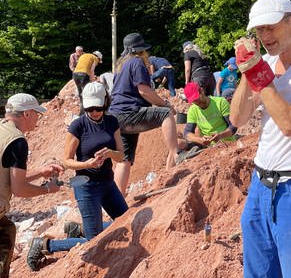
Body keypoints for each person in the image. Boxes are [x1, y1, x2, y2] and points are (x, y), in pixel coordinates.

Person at [230, 0, 291, 277]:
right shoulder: (265, 63)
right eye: (259, 30)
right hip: (260, 185)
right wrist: (248, 72)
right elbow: (237, 118)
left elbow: (290, 122)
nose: (265, 36)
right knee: (258, 273)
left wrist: (258, 72)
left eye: (271, 27)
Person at [27, 82, 128, 271]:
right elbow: (66, 160)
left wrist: (110, 154)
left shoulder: (112, 121)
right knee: (93, 240)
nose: (95, 112)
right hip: (85, 185)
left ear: (105, 103)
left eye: (98, 107)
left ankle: (79, 229)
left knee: (126, 219)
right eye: (90, 108)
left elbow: (122, 155)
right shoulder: (78, 125)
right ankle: (44, 245)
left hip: (107, 182)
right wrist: (87, 164)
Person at [0, 93, 63, 278]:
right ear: (27, 114)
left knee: (7, 229)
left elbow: (8, 176)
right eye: (37, 113)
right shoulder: (17, 141)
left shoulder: (2, 130)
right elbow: (19, 189)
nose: (38, 118)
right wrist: (47, 189)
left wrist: (41, 172)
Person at [109, 32, 178, 194]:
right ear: (141, 50)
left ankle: (118, 199)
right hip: (129, 112)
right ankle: (177, 154)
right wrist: (166, 104)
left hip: (116, 117)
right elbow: (144, 91)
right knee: (165, 114)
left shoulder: (121, 66)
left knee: (124, 160)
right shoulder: (137, 63)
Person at [183, 82, 237, 148]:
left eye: (197, 98)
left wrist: (220, 135)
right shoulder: (193, 110)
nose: (196, 102)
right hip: (210, 148)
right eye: (193, 100)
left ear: (202, 91)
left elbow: (233, 126)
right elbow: (187, 133)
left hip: (229, 144)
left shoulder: (220, 102)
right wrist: (200, 140)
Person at [73, 51, 103, 115]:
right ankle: (86, 112)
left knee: (81, 94)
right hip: (83, 75)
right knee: (87, 94)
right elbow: (92, 70)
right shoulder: (95, 58)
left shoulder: (84, 55)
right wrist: (92, 80)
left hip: (75, 74)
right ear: (99, 57)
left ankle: (82, 113)